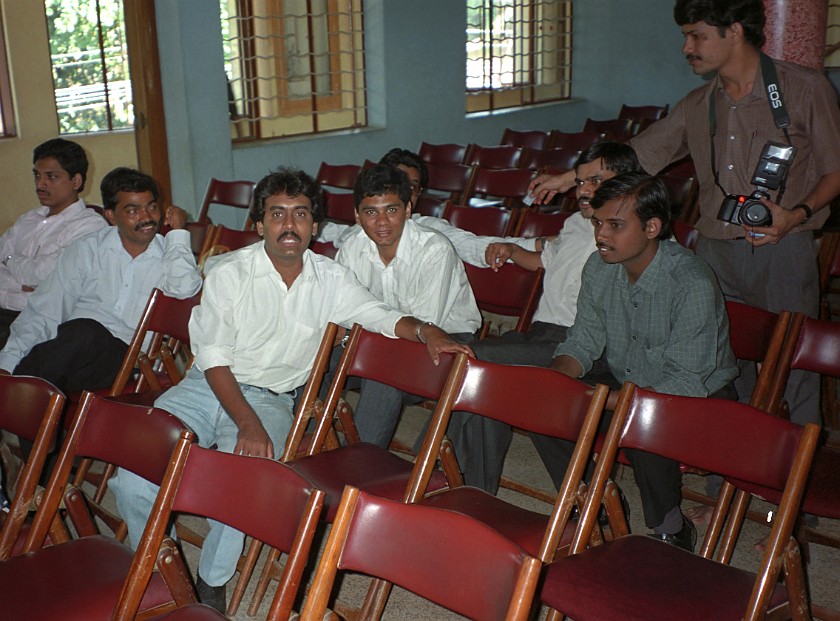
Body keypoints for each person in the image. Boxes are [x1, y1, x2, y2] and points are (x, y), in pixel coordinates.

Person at [110, 168, 473, 613]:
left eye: (300, 214)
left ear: (314, 226)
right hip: (205, 387)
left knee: (244, 481)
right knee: (132, 478)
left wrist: (426, 330)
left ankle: (210, 585)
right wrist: (246, 421)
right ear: (260, 225)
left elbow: (378, 313)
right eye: (277, 214)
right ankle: (164, 568)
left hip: (272, 398)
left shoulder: (330, 279)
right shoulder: (228, 272)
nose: (289, 225)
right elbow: (214, 358)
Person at [529, 0, 840, 433]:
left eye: (696, 35)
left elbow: (835, 169)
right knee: (722, 367)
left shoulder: (803, 89)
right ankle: (727, 484)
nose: (686, 47)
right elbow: (638, 155)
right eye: (685, 36)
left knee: (791, 368)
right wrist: (570, 177)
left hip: (782, 248)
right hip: (715, 252)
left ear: (733, 31)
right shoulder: (700, 103)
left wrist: (795, 215)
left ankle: (789, 489)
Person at [546, 172, 738, 552]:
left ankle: (671, 527)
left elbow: (682, 383)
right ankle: (594, 503)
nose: (601, 235)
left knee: (644, 423)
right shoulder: (599, 267)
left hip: (700, 395)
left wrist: (605, 401)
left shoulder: (689, 283)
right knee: (548, 406)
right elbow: (583, 340)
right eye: (598, 223)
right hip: (628, 380)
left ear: (652, 227)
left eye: (615, 225)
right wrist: (559, 381)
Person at [446, 141, 641, 494]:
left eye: (596, 181)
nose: (584, 191)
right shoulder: (575, 224)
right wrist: (511, 250)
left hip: (585, 347)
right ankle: (476, 489)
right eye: (580, 182)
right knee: (492, 383)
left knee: (479, 360)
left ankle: (462, 481)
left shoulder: (629, 233)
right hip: (542, 336)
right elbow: (546, 260)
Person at [0, 167, 201, 393]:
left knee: (84, 332)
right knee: (64, 344)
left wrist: (177, 233)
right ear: (111, 216)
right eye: (133, 210)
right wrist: (6, 363)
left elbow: (185, 289)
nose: (146, 217)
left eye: (152, 207)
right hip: (74, 353)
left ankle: (14, 394)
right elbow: (45, 310)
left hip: (126, 362)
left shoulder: (169, 254)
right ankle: (15, 391)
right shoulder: (87, 249)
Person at [336, 164, 480, 447]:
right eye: (370, 212)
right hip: (376, 339)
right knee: (312, 353)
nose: (382, 222)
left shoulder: (434, 249)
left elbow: (423, 327)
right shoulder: (351, 247)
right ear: (356, 215)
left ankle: (361, 467)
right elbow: (342, 311)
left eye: (391, 210)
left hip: (442, 341)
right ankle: (309, 443)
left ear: (408, 208)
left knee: (382, 374)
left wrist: (361, 335)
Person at [318, 147, 544, 267]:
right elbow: (333, 232)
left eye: (412, 187)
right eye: (397, 184)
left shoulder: (430, 232)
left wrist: (537, 243)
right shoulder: (362, 229)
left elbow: (472, 244)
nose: (405, 193)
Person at [0, 139, 107, 346]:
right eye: (37, 175)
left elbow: (43, 275)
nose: (40, 184)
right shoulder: (28, 219)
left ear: (76, 181)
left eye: (51, 177)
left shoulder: (89, 226)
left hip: (41, 322)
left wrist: (10, 261)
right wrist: (23, 283)